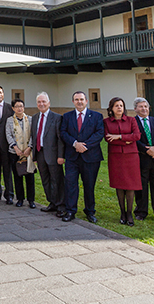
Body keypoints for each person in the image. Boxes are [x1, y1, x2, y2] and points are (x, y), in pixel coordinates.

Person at [60, 91, 104, 223]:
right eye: (76, 99)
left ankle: (90, 211)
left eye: (81, 99)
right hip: (72, 157)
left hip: (91, 157)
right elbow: (63, 132)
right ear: (73, 101)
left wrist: (85, 146)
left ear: (86, 101)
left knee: (89, 186)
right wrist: (75, 144)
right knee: (70, 185)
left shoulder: (97, 116)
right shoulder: (67, 116)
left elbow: (100, 133)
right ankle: (70, 211)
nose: (79, 102)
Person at [104, 97, 142, 226]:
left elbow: (137, 136)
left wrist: (119, 137)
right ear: (111, 109)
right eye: (116, 106)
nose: (119, 108)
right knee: (119, 185)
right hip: (115, 157)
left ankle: (130, 213)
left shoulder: (131, 120)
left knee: (130, 185)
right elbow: (108, 138)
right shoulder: (107, 122)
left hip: (131, 157)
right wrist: (127, 139)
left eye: (121, 105)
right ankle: (122, 212)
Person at [32, 92, 65, 216]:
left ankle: (61, 205)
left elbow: (60, 139)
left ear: (49, 103)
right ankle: (52, 202)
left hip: (54, 154)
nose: (41, 104)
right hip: (40, 154)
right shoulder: (35, 118)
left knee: (57, 180)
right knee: (45, 180)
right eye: (39, 102)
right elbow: (34, 136)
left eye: (44, 101)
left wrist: (61, 156)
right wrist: (34, 156)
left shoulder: (56, 117)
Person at [5, 99, 35, 208]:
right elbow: (8, 135)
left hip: (28, 153)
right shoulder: (9, 121)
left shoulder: (30, 120)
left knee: (30, 177)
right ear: (13, 108)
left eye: (21, 106)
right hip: (15, 153)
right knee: (18, 177)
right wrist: (15, 148)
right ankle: (20, 199)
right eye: (17, 106)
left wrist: (29, 148)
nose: (19, 108)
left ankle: (31, 200)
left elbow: (33, 135)